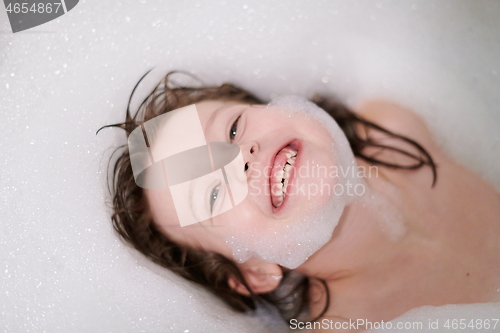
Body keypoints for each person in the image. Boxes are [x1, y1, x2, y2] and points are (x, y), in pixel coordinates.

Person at [99, 71, 500, 332]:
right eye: (214, 194)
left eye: (234, 128)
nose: (241, 157)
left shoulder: (396, 124)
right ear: (253, 272)